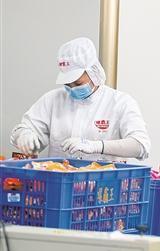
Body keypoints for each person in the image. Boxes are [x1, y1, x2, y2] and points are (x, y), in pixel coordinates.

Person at [10, 37, 150, 161]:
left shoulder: (120, 102)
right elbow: (26, 129)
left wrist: (97, 146)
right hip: (60, 179)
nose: (72, 88)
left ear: (94, 72)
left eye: (78, 83)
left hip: (104, 181)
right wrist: (24, 136)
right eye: (67, 84)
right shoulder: (53, 100)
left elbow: (140, 145)